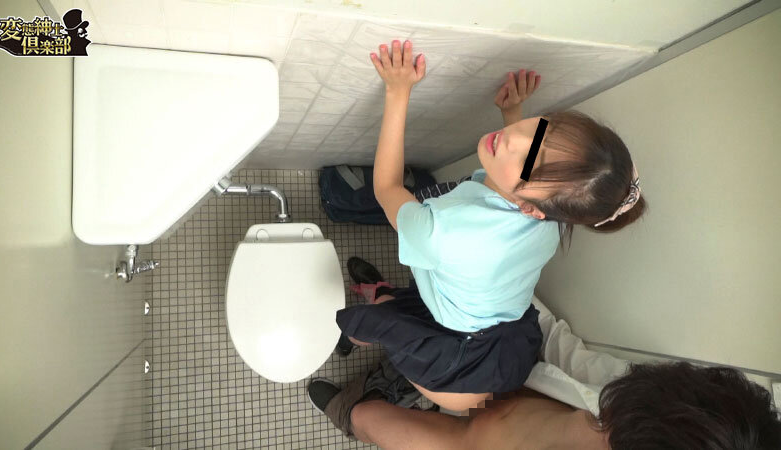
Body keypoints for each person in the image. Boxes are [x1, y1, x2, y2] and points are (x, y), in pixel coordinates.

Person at [335, 39, 649, 411]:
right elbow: (527, 168)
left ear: (532, 208)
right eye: (539, 130)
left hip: (457, 352)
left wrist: (398, 91)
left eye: (529, 163)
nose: (513, 140)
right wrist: (512, 112)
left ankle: (357, 328)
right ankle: (381, 298)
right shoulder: (552, 221)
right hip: (504, 331)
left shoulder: (443, 233)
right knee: (397, 302)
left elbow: (387, 188)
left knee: (375, 319)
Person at [313, 298, 781, 449]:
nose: (606, 422)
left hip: (468, 444)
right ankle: (388, 337)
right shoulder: (647, 402)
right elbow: (562, 346)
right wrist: (503, 290)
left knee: (368, 418)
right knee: (405, 325)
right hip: (502, 389)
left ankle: (351, 408)